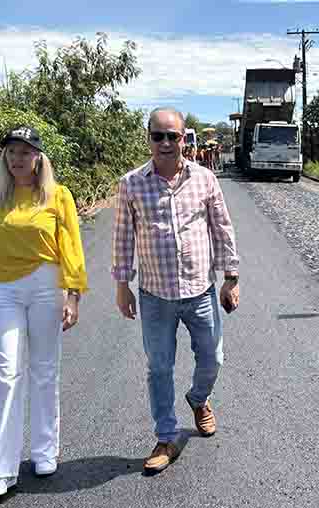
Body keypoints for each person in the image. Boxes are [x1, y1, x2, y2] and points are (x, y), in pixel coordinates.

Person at [112, 107, 240, 473]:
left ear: (184, 138)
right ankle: (166, 437)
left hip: (200, 290)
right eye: (159, 136)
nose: (166, 143)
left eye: (173, 136)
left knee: (213, 358)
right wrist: (123, 285)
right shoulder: (131, 184)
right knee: (159, 368)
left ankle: (199, 399)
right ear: (148, 137)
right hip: (154, 294)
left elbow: (222, 228)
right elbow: (122, 238)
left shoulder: (204, 179)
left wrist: (231, 277)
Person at [0, 125, 88, 496]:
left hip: (45, 286)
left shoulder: (58, 196)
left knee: (44, 370)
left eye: (25, 152)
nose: (17, 158)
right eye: (11, 152)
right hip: (3, 289)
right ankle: (1, 470)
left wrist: (73, 295)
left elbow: (71, 247)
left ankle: (44, 451)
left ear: (38, 157)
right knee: (5, 374)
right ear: (5, 158)